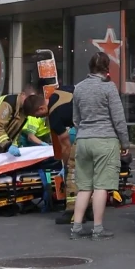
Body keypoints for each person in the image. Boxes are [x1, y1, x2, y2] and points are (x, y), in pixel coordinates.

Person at [70, 52, 131, 241]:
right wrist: (125, 142)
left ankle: (76, 227)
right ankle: (97, 228)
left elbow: (75, 119)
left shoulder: (78, 88)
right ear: (107, 68)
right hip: (105, 140)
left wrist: (85, 130)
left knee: (84, 186)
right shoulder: (109, 88)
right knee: (101, 186)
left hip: (84, 140)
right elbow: (118, 118)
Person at [46, 84, 83, 225]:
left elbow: (66, 144)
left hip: (85, 134)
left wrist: (66, 164)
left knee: (72, 173)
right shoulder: (62, 90)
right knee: (89, 174)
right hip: (98, 131)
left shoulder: (53, 116)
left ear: (41, 109)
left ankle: (71, 211)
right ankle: (89, 209)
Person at [0, 91, 48, 156]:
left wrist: (13, 145)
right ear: (40, 108)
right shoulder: (8, 104)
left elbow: (14, 133)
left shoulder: (22, 114)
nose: (37, 118)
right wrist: (8, 145)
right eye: (38, 115)